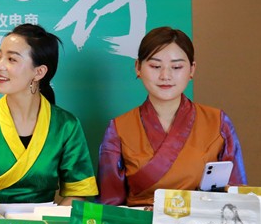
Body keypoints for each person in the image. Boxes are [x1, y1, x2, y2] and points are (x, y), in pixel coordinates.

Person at [98, 27, 247, 207]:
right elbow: (109, 204)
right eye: (155, 66)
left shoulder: (217, 122)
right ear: (138, 67)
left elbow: (236, 196)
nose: (165, 76)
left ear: (192, 69)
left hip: (202, 222)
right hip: (141, 223)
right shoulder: (119, 128)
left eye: (176, 67)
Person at [0, 24, 97, 204]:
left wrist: (49, 220)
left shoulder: (66, 125)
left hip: (44, 220)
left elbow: (77, 193)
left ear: (39, 72)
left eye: (12, 59)